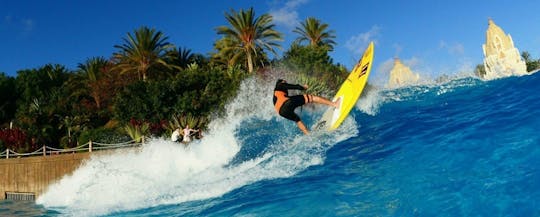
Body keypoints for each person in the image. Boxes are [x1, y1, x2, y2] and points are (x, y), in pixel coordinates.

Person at [273, 79, 339, 134]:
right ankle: (334, 104)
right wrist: (302, 87)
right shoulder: (280, 85)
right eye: (285, 81)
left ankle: (308, 135)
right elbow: (289, 86)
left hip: (281, 112)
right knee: (312, 98)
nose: (286, 82)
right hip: (286, 103)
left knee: (297, 119)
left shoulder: (275, 95)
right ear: (281, 82)